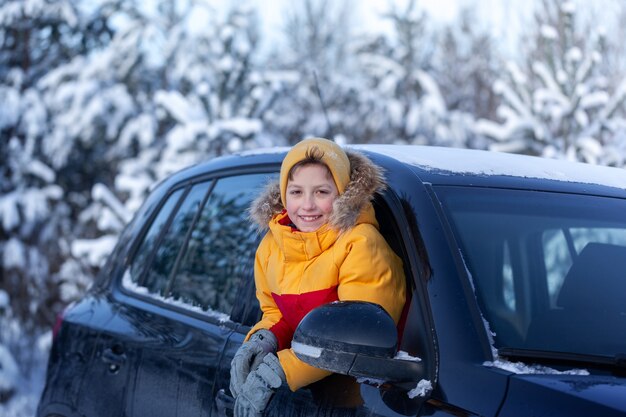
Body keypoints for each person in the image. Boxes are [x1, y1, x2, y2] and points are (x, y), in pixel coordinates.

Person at [230, 138, 406, 417]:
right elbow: (277, 312)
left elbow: (354, 335)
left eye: (322, 192)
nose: (307, 205)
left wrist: (283, 368)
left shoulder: (360, 244)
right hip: (314, 395)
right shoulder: (273, 246)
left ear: (343, 193)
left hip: (359, 398)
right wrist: (263, 339)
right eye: (297, 191)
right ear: (283, 194)